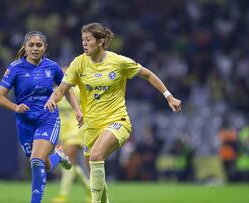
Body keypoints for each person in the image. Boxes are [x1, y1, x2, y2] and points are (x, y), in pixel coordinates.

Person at [45, 22, 182, 203]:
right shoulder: (78, 63)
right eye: (82, 40)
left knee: (96, 156)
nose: (84, 44)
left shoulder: (118, 62)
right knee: (94, 171)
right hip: (91, 126)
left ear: (101, 41)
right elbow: (63, 88)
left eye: (88, 40)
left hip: (117, 121)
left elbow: (147, 74)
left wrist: (169, 96)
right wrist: (53, 99)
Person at [0, 31, 83, 203]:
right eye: (31, 45)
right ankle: (58, 156)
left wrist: (77, 110)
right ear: (25, 47)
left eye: (39, 45)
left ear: (45, 48)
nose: (35, 48)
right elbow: (0, 98)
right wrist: (15, 107)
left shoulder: (52, 67)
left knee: (36, 161)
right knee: (42, 163)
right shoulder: (15, 68)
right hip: (24, 122)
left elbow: (67, 89)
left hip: (47, 118)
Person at [51, 71, 90, 203]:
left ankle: (63, 195)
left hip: (77, 128)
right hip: (63, 131)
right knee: (70, 162)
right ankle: (89, 188)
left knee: (68, 156)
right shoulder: (56, 92)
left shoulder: (78, 89)